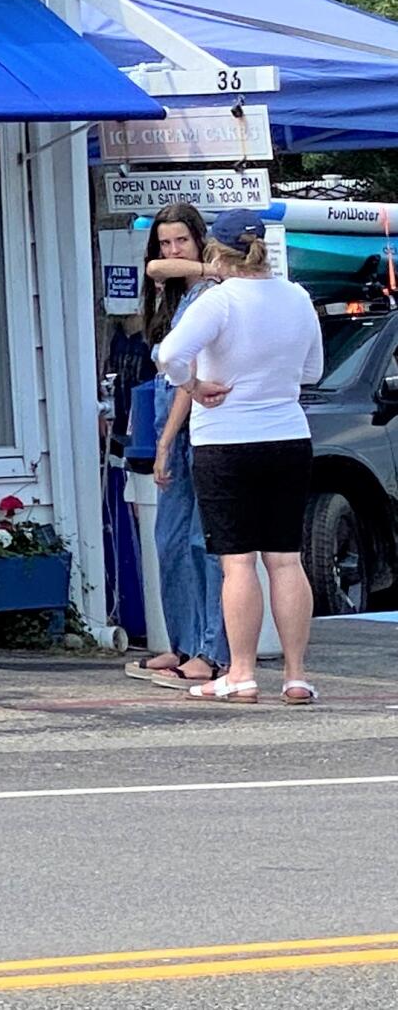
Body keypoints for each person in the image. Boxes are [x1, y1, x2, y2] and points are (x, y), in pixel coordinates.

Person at [156, 231, 325, 704]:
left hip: (226, 441)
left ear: (215, 252)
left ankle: (242, 674)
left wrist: (191, 385)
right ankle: (295, 676)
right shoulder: (297, 296)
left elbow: (169, 354)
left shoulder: (219, 300)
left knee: (238, 563)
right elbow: (312, 371)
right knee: (286, 559)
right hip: (288, 437)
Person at [129, 204, 229, 688]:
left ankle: (212, 650)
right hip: (167, 417)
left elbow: (192, 376)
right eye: (165, 242)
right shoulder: (173, 296)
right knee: (168, 541)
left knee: (201, 542)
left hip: (196, 426)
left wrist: (166, 442)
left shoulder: (211, 294)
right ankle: (182, 641)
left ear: (199, 241)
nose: (171, 252)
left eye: (181, 241)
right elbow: (154, 268)